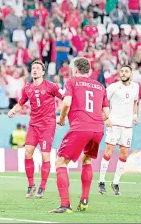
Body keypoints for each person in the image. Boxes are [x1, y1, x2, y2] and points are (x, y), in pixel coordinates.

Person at [51, 57, 110, 213]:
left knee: (60, 162)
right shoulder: (100, 86)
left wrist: (62, 118)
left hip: (80, 128)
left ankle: (65, 205)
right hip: (98, 129)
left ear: (75, 70)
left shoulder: (72, 82)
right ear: (89, 70)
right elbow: (106, 114)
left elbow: (66, 103)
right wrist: (94, 121)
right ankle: (84, 200)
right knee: (87, 159)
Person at [8, 60, 63, 198]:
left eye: (38, 68)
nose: (35, 70)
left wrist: (65, 114)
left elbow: (65, 98)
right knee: (27, 152)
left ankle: (42, 186)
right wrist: (14, 110)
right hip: (33, 125)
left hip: (48, 125)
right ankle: (31, 185)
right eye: (33, 68)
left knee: (45, 156)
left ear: (43, 72)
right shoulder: (27, 88)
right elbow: (21, 103)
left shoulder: (51, 86)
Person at [98, 65, 139, 195]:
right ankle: (101, 181)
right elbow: (102, 101)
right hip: (114, 124)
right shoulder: (113, 87)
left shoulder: (135, 87)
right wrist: (105, 118)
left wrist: (134, 116)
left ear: (130, 74)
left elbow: (135, 102)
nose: (123, 73)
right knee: (109, 152)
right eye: (121, 71)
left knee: (124, 154)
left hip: (127, 126)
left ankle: (115, 182)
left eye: (126, 71)